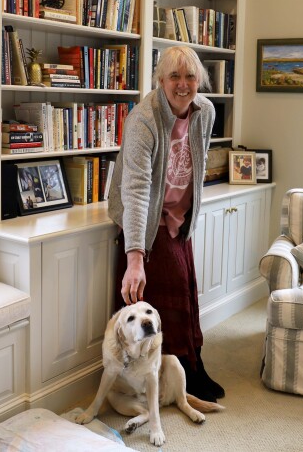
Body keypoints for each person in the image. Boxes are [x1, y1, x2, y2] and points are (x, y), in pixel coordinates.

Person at [107, 45, 224, 402]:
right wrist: (136, 257)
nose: (183, 84)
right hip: (145, 218)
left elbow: (197, 164)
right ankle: (176, 373)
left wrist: (188, 216)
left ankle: (192, 365)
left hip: (179, 217)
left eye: (190, 76)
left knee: (186, 293)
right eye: (174, 76)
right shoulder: (144, 118)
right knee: (161, 300)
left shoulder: (206, 111)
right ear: (161, 80)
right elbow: (138, 190)